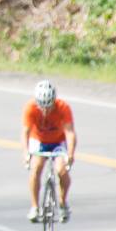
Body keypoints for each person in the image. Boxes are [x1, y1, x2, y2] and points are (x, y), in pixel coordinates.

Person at [22, 79, 77, 223]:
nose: (45, 110)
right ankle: (35, 207)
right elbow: (25, 132)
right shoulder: (30, 108)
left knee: (62, 170)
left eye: (49, 106)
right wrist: (26, 153)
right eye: (42, 106)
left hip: (58, 141)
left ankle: (62, 203)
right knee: (36, 168)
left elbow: (70, 132)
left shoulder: (63, 107)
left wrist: (70, 154)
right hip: (39, 141)